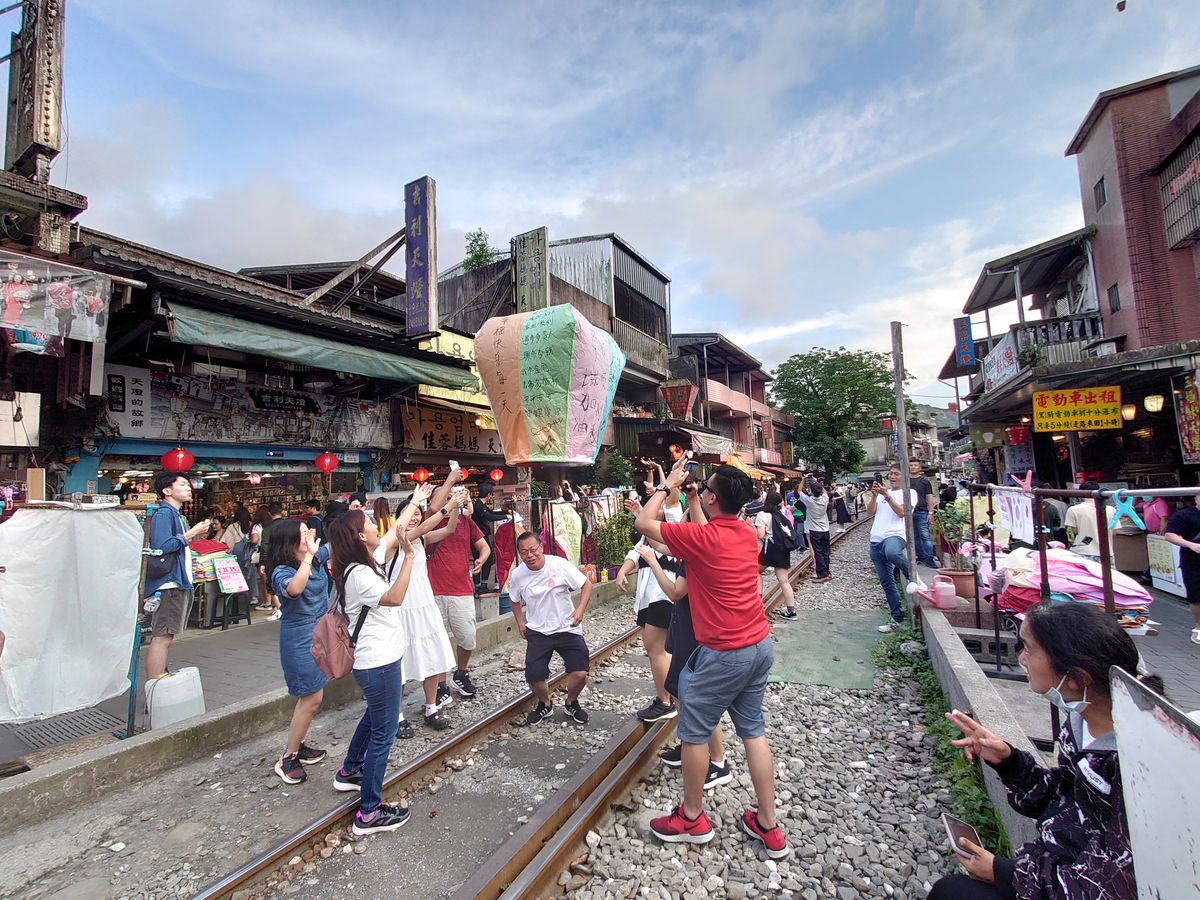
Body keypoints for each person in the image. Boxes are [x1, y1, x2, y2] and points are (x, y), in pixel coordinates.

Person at [930, 601, 1160, 900]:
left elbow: (1110, 887)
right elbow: (1062, 800)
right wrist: (1010, 762)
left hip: (1072, 882)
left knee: (951, 892)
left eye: (1029, 649)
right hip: (1055, 864)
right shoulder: (1082, 722)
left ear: (1076, 679)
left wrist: (1006, 873)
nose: (1021, 658)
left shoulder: (1138, 765)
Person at [635, 460, 790, 859]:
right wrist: (693, 499)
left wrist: (666, 485)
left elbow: (644, 525)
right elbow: (708, 532)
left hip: (723, 653)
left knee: (694, 733)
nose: (701, 492)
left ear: (713, 499)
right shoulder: (746, 533)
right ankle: (768, 824)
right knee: (753, 731)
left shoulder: (700, 538)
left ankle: (691, 818)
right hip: (759, 645)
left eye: (706, 490)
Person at [329, 509, 415, 836]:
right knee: (384, 733)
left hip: (378, 660)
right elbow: (394, 597)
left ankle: (350, 770)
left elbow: (393, 532)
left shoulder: (362, 564)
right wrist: (409, 557)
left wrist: (418, 501)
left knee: (374, 716)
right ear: (360, 536)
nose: (375, 525)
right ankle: (368, 812)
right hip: (378, 662)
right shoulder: (360, 574)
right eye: (368, 523)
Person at [640, 541, 735, 792]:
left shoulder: (699, 550)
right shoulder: (702, 544)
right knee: (681, 693)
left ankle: (718, 762)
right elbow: (662, 542)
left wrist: (652, 561)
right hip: (689, 628)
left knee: (700, 700)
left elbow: (675, 592)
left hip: (696, 631)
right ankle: (688, 745)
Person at [378, 483, 465, 734]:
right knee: (399, 663)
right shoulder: (395, 543)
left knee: (432, 656)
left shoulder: (422, 539)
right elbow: (426, 527)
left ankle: (431, 706)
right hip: (401, 607)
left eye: (417, 513)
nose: (415, 517)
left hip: (424, 604)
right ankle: (397, 714)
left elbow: (448, 529)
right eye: (410, 513)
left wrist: (455, 507)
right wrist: (447, 506)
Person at [267, 519, 331, 784]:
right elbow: (294, 589)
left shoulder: (314, 559)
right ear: (290, 541)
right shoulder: (281, 571)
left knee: (314, 694)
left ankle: (299, 745)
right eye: (304, 533)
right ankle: (288, 758)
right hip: (299, 640)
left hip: (320, 635)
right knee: (312, 697)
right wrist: (308, 558)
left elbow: (339, 542)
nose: (310, 535)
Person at [508, 530, 593, 726]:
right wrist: (520, 622)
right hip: (537, 630)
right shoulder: (518, 574)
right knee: (534, 676)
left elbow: (586, 584)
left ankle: (571, 703)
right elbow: (513, 599)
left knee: (580, 673)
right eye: (524, 552)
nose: (530, 555)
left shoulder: (559, 565)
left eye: (533, 550)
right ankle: (545, 703)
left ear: (541, 547)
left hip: (567, 627)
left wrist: (580, 610)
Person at [617, 486, 683, 722]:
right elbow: (636, 553)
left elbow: (672, 499)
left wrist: (669, 480)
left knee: (656, 649)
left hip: (662, 594)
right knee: (656, 649)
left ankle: (665, 701)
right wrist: (622, 571)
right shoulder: (648, 534)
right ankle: (668, 697)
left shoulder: (673, 527)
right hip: (649, 597)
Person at [426, 468, 490, 702]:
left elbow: (483, 546)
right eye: (444, 495)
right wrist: (450, 480)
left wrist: (482, 558)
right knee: (438, 641)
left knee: (468, 637)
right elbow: (435, 507)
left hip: (461, 588)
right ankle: (441, 684)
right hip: (433, 591)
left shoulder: (465, 521)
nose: (450, 497)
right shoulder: (428, 521)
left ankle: (461, 673)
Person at [144, 472, 210, 681]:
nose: (188, 488)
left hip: (175, 582)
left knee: (166, 636)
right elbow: (162, 547)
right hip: (168, 584)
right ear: (167, 490)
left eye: (188, 485)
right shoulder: (165, 513)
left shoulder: (175, 514)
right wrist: (191, 533)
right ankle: (156, 686)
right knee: (162, 636)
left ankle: (160, 680)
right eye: (182, 484)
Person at [869, 465, 915, 633]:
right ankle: (897, 618)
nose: (892, 477)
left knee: (892, 552)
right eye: (890, 474)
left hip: (895, 535)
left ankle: (913, 576)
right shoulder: (882, 493)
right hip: (876, 539)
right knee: (887, 582)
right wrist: (875, 496)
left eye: (896, 474)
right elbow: (870, 513)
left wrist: (887, 496)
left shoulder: (909, 493)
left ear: (904, 476)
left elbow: (902, 512)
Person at [1163, 493, 1200, 646]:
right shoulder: (1184, 515)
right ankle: (1199, 628)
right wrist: (1191, 545)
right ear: (1196, 498)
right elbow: (1169, 535)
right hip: (1193, 563)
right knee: (1196, 597)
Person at [754, 492, 798, 618]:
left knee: (756, 571)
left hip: (770, 549)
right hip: (783, 549)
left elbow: (761, 534)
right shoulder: (782, 513)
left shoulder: (762, 514)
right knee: (784, 581)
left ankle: (758, 600)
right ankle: (791, 611)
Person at [471, 482, 511, 591]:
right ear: (488, 494)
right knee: (479, 560)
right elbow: (489, 517)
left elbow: (492, 513)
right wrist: (506, 516)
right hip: (477, 538)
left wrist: (506, 512)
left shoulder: (481, 505)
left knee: (488, 560)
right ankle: (478, 586)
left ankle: (483, 584)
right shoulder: (478, 506)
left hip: (483, 536)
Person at [1064, 482, 1117, 559]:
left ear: (1080, 492)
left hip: (1083, 551)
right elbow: (1114, 532)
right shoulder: (1111, 509)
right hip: (1107, 551)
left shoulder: (1073, 510)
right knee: (1107, 567)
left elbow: (1074, 531)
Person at [254, 503, 284, 620]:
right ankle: (283, 608)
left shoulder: (268, 529)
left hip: (273, 559)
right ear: (282, 511)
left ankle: (279, 609)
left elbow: (265, 546)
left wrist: (262, 562)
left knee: (272, 584)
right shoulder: (289, 525)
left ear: (270, 514)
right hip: (289, 558)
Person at [798, 480, 832, 583]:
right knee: (826, 552)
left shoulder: (809, 501)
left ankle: (822, 574)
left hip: (814, 530)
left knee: (818, 552)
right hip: (825, 529)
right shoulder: (825, 499)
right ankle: (827, 572)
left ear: (811, 491)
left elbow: (799, 491)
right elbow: (824, 491)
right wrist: (816, 481)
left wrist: (803, 480)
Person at [909, 458, 937, 568]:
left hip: (922, 511)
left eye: (915, 465)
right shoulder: (905, 480)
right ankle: (919, 556)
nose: (913, 467)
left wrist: (931, 512)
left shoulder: (925, 481)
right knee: (914, 535)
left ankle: (929, 557)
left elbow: (929, 497)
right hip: (909, 512)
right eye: (911, 465)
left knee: (925, 535)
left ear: (919, 467)